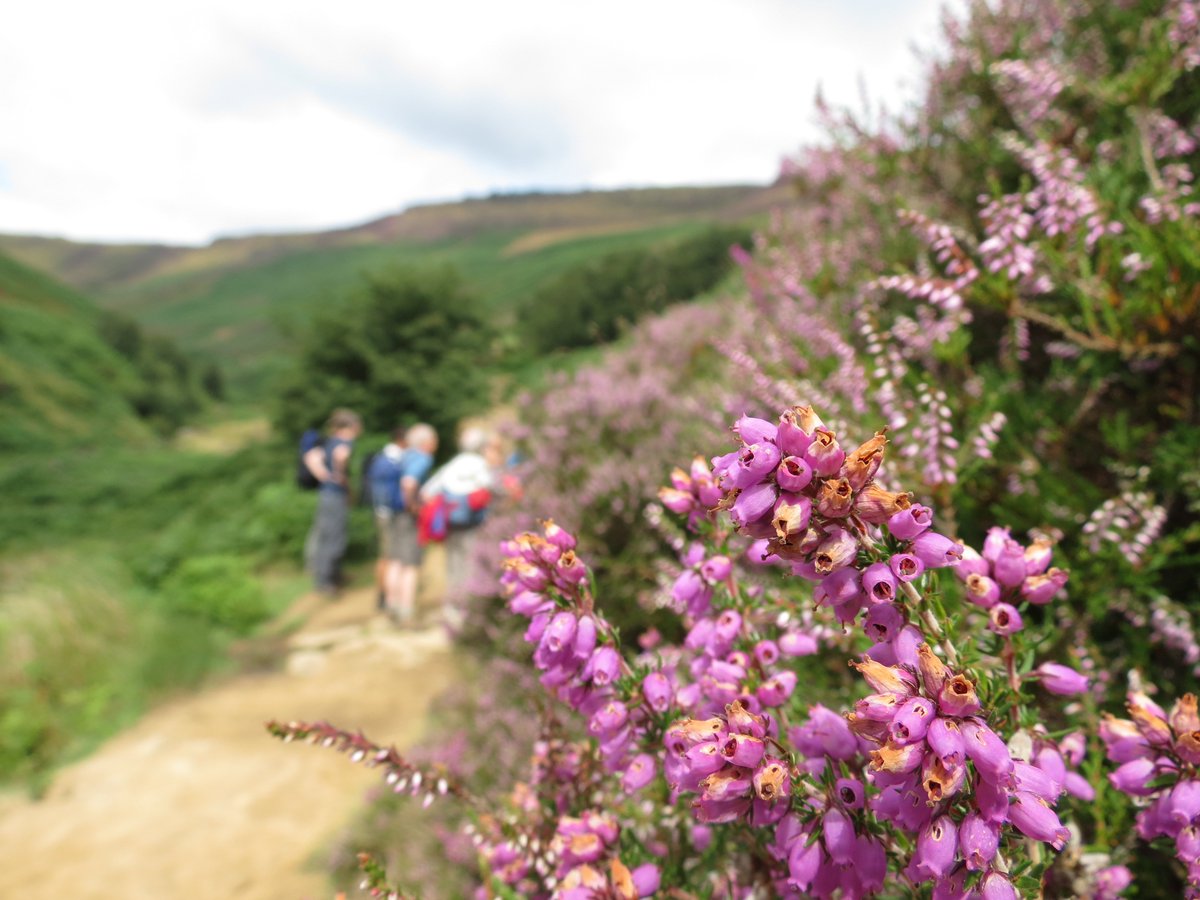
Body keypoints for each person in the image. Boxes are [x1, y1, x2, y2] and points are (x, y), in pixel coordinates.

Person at [421, 427, 498, 595]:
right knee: (472, 561)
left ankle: (453, 602)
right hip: (473, 522)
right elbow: (491, 486)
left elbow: (427, 492)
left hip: (451, 522)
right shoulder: (479, 464)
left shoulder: (452, 464)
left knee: (453, 562)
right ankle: (470, 601)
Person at [381, 422, 437, 624]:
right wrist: (413, 506)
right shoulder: (423, 458)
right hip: (408, 516)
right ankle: (406, 610)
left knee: (395, 560)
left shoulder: (404, 455)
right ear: (426, 442)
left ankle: (391, 604)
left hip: (394, 513)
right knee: (411, 564)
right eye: (433, 440)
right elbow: (408, 482)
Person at [303, 408, 362, 596]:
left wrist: (324, 475)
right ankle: (327, 581)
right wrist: (339, 476)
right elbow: (341, 456)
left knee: (326, 535)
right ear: (352, 426)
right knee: (335, 537)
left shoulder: (330, 441)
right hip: (335, 495)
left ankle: (326, 577)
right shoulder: (345, 442)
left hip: (325, 494)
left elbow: (310, 457)